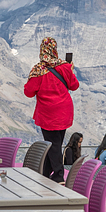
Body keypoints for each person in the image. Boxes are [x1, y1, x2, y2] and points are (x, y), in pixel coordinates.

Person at [23, 37, 79, 181]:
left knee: (52, 144)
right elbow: (74, 86)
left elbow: (28, 92)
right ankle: (46, 172)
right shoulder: (64, 66)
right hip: (65, 111)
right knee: (55, 144)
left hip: (48, 113)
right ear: (55, 50)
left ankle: (59, 176)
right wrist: (71, 70)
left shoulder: (38, 70)